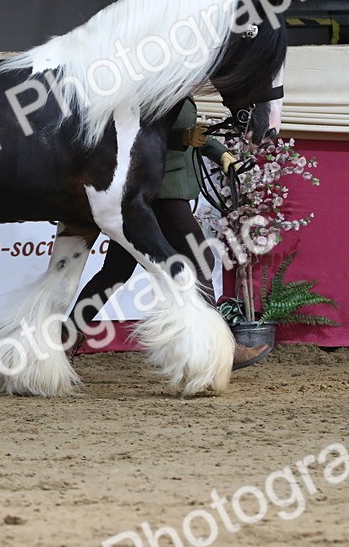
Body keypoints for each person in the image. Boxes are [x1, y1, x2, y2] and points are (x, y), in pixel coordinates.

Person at [63, 97, 271, 370]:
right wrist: (183, 137)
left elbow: (190, 133)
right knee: (200, 261)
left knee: (114, 273)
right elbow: (143, 132)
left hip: (158, 191)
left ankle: (64, 339)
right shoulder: (154, 88)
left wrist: (221, 154)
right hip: (161, 192)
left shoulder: (177, 84)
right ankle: (216, 348)